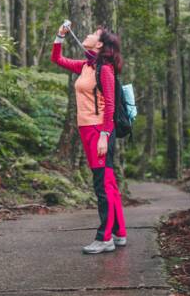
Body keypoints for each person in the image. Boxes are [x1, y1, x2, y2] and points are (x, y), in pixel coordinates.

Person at [51, 23, 128, 254]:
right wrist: (60, 36)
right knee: (109, 183)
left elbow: (111, 105)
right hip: (87, 130)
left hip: (99, 131)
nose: (88, 34)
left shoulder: (104, 69)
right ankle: (120, 232)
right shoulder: (87, 66)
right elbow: (58, 59)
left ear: (101, 44)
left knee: (102, 184)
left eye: (94, 34)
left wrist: (104, 135)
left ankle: (104, 238)